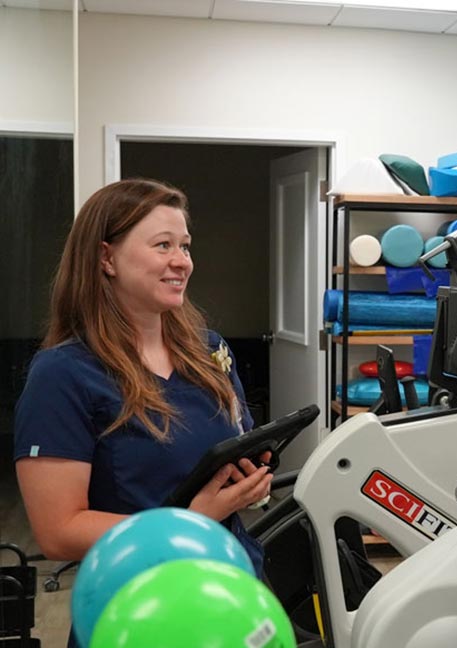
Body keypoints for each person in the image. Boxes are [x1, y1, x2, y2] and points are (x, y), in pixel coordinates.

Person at [13, 179, 272, 595]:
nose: (182, 261)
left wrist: (249, 481)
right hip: (141, 603)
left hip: (233, 584)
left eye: (185, 246)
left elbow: (236, 447)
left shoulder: (210, 351)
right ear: (106, 258)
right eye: (163, 245)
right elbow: (58, 532)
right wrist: (186, 524)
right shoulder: (63, 374)